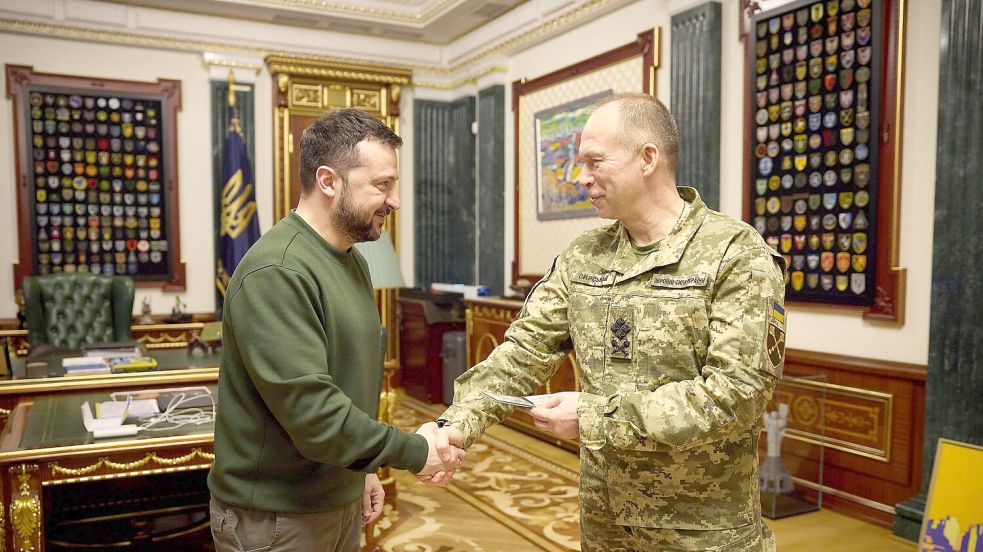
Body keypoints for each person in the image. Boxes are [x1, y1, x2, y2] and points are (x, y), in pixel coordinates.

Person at [434, 93, 786, 551]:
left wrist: (595, 418)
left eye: (594, 162)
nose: (582, 179)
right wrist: (453, 426)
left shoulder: (735, 254)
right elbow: (523, 353)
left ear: (647, 158)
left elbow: (735, 397)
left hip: (701, 533)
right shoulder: (584, 256)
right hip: (606, 528)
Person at [208, 108, 464, 552]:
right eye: (382, 185)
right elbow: (316, 416)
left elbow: (346, 385)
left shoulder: (353, 261)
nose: (395, 201)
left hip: (335, 500)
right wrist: (416, 451)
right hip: (277, 517)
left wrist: (360, 472)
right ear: (328, 181)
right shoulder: (278, 270)